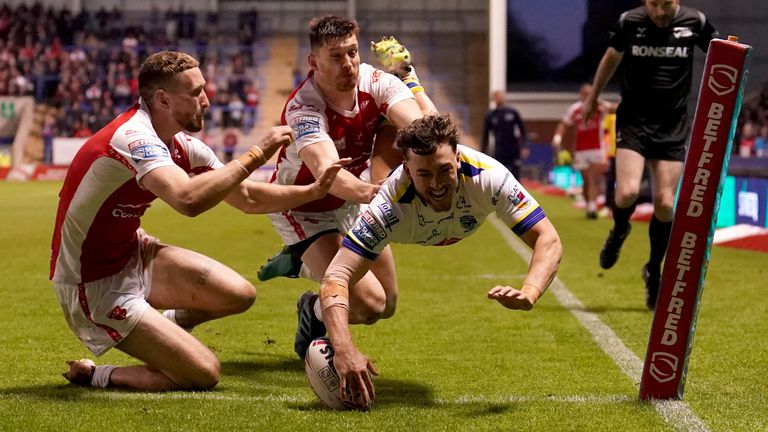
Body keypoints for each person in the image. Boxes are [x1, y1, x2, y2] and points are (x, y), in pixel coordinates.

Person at [51, 50, 346, 391]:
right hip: (90, 283)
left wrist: (313, 190)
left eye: (203, 89)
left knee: (239, 294)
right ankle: (96, 375)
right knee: (204, 373)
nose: (206, 100)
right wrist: (255, 154)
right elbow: (187, 199)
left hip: (132, 252)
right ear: (162, 99)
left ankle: (166, 328)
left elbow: (247, 198)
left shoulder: (181, 145)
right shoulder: (132, 137)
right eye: (194, 93)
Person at [316, 113, 562, 410]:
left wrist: (531, 290)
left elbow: (548, 238)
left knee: (386, 304)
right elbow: (336, 276)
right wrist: (343, 348)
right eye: (424, 174)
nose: (436, 185)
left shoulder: (488, 176)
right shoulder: (388, 205)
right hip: (398, 226)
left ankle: (312, 311)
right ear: (407, 170)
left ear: (457, 159)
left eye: (444, 170)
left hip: (440, 226)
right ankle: (308, 294)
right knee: (376, 306)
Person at [256, 16, 436, 359]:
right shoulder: (303, 108)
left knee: (389, 304)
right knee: (369, 305)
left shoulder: (376, 82)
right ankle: (304, 268)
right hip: (306, 208)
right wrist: (376, 193)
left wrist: (410, 80)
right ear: (314, 62)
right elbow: (328, 174)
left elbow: (425, 130)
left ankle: (310, 297)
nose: (348, 64)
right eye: (336, 56)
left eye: (352, 53)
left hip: (354, 201)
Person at [583, 0, 718, 310]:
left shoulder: (695, 21)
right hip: (634, 121)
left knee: (666, 203)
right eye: (654, 5)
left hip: (673, 125)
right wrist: (593, 97)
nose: (660, 12)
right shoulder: (629, 21)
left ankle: (653, 271)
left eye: (666, 5)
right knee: (628, 191)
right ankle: (618, 231)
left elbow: (723, 54)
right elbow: (610, 58)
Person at [552, 84, 612, 219]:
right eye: (585, 93)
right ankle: (589, 204)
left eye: (590, 93)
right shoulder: (575, 109)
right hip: (581, 150)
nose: (587, 96)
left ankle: (592, 207)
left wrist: (602, 102)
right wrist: (557, 137)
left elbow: (616, 108)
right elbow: (564, 124)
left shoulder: (599, 107)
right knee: (586, 179)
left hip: (597, 147)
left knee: (592, 177)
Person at [481, 90, 529, 179]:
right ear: (493, 99)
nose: (500, 98)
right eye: (497, 96)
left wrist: (525, 146)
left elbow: (523, 130)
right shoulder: (491, 115)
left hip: (513, 150)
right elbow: (485, 136)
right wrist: (483, 152)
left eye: (501, 96)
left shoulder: (512, 112)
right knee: (501, 176)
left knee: (515, 175)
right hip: (499, 151)